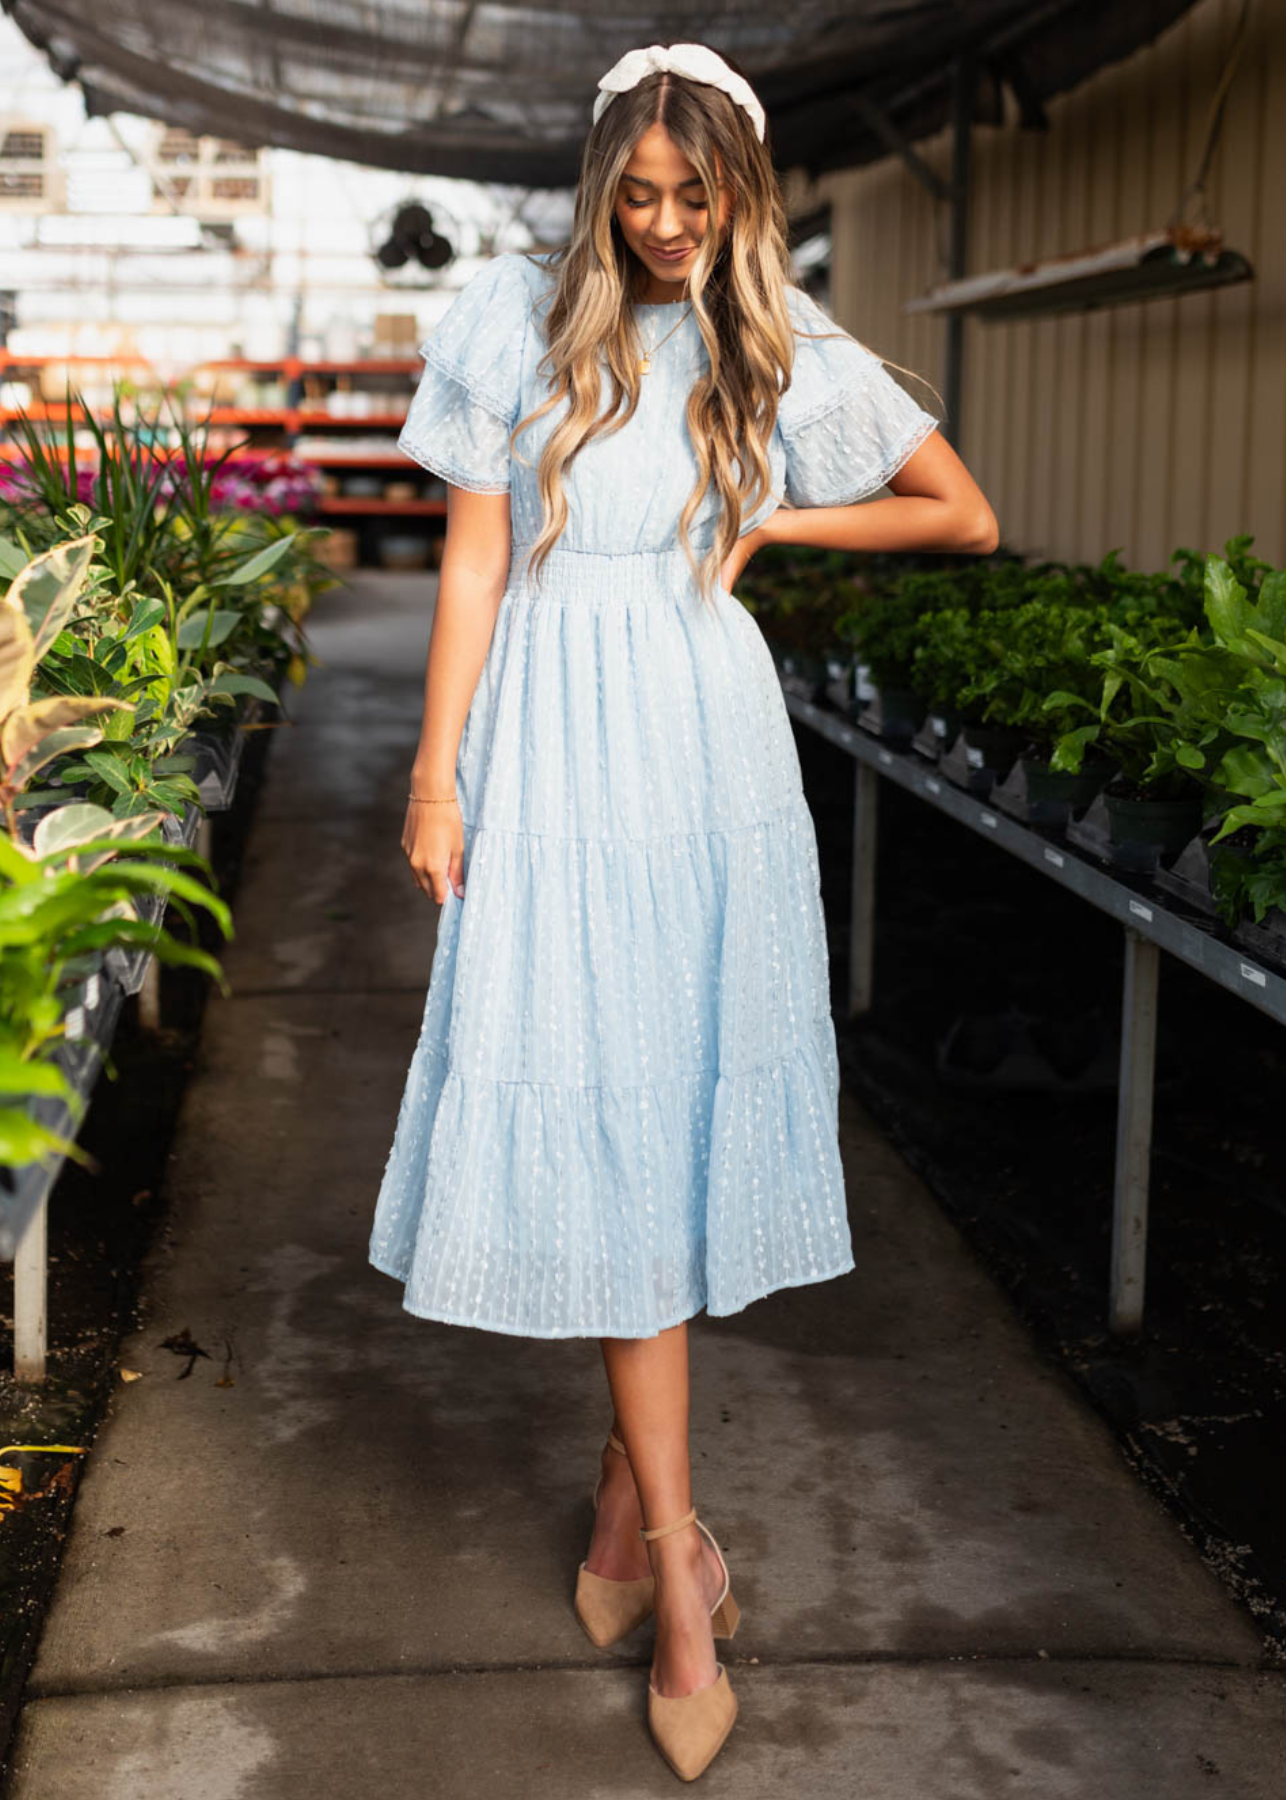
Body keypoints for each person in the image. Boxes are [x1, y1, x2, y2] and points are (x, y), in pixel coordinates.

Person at [369, 39, 998, 1782]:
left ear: (734, 189)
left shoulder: (771, 340)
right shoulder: (512, 315)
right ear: (601, 184)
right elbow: (480, 556)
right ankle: (678, 1559)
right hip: (547, 744)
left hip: (699, 748)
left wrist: (786, 517)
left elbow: (961, 512)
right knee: (599, 1111)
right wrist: (437, 774)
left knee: (657, 1120)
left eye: (688, 196)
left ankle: (652, 1536)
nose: (657, 223)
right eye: (634, 194)